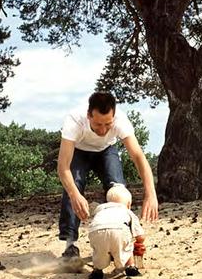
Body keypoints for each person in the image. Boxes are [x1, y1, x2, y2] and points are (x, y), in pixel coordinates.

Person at [57, 91, 158, 259]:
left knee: (118, 190)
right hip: (79, 152)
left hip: (106, 151)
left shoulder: (121, 121)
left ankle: (120, 239)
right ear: (89, 115)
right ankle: (70, 246)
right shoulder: (74, 120)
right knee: (74, 185)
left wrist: (151, 194)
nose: (103, 130)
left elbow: (139, 157)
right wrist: (75, 195)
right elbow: (63, 167)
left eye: (107, 124)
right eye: (98, 125)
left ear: (114, 116)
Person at [86, 183, 144, 279]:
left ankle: (97, 271)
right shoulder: (127, 211)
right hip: (119, 230)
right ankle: (131, 267)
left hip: (96, 232)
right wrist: (139, 243)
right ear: (129, 204)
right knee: (127, 245)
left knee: (99, 251)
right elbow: (140, 236)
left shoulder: (100, 210)